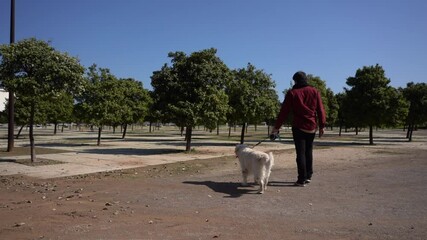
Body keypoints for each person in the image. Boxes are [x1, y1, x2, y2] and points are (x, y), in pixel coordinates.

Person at [271, 71, 326, 187]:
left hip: (299, 127)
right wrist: (322, 126)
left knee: (300, 153)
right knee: (308, 151)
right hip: (311, 126)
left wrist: (276, 127)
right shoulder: (315, 91)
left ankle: (301, 179)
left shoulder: (292, 93)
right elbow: (320, 110)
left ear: (295, 81)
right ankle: (308, 176)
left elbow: (284, 112)